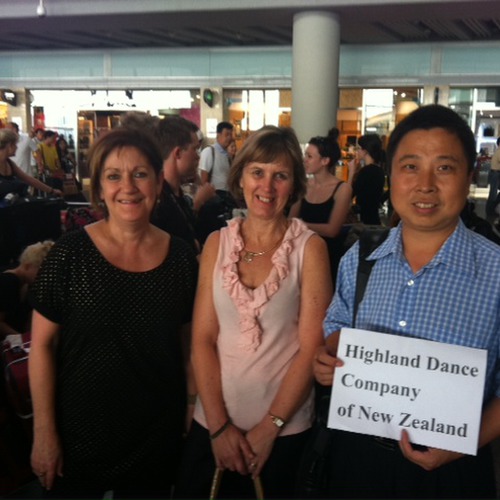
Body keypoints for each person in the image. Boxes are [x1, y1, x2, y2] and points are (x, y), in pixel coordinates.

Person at [313, 104, 500, 498]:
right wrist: (331, 359)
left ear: (470, 176)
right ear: (390, 175)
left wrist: (472, 438)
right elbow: (336, 326)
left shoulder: (496, 272)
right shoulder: (360, 257)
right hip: (357, 456)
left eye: (445, 168)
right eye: (410, 166)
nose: (426, 184)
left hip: (453, 467)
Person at [28, 128, 198, 498]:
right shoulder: (69, 254)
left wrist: (190, 406)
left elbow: (188, 349)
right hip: (78, 433)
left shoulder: (182, 258)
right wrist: (44, 432)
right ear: (100, 189)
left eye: (139, 174)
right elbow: (40, 347)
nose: (128, 187)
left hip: (156, 432)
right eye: (113, 176)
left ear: (157, 181)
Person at [176, 125, 332, 499]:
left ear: (294, 185)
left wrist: (269, 426)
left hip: (283, 431)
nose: (267, 186)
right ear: (241, 177)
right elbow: (202, 338)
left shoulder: (310, 249)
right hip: (213, 426)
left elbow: (311, 348)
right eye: (257, 172)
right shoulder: (217, 243)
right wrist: (217, 427)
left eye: (280, 176)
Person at [289, 133, 352, 283]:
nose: (305, 160)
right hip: (302, 253)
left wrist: (301, 225)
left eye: (310, 157)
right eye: (306, 155)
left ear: (325, 161)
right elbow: (290, 219)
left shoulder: (342, 189)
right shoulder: (304, 185)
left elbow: (332, 230)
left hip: (328, 256)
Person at [152, 116, 216, 256]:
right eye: (195, 149)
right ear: (178, 153)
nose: (198, 157)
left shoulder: (177, 193)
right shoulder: (158, 200)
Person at [0, 240, 53, 339]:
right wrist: (22, 338)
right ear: (28, 265)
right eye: (40, 272)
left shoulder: (27, 285)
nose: (43, 277)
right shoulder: (8, 281)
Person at [0, 129, 62, 198]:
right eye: (15, 144)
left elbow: (28, 179)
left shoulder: (9, 163)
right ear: (9, 145)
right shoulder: (9, 163)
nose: (17, 147)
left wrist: (51, 190)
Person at [348, 133, 386, 225]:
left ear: (365, 151)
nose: (358, 151)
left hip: (364, 222)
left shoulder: (365, 171)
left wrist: (351, 172)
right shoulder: (379, 171)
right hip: (374, 220)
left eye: (359, 148)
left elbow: (348, 195)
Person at [199, 121, 234, 194]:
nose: (229, 138)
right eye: (227, 135)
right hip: (214, 195)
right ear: (218, 135)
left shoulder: (228, 156)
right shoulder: (209, 152)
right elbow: (203, 179)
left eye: (231, 135)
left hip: (227, 196)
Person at [486, 136, 500, 217]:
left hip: (496, 174)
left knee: (493, 193)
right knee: (493, 194)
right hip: (496, 174)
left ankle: (492, 210)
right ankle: (490, 211)